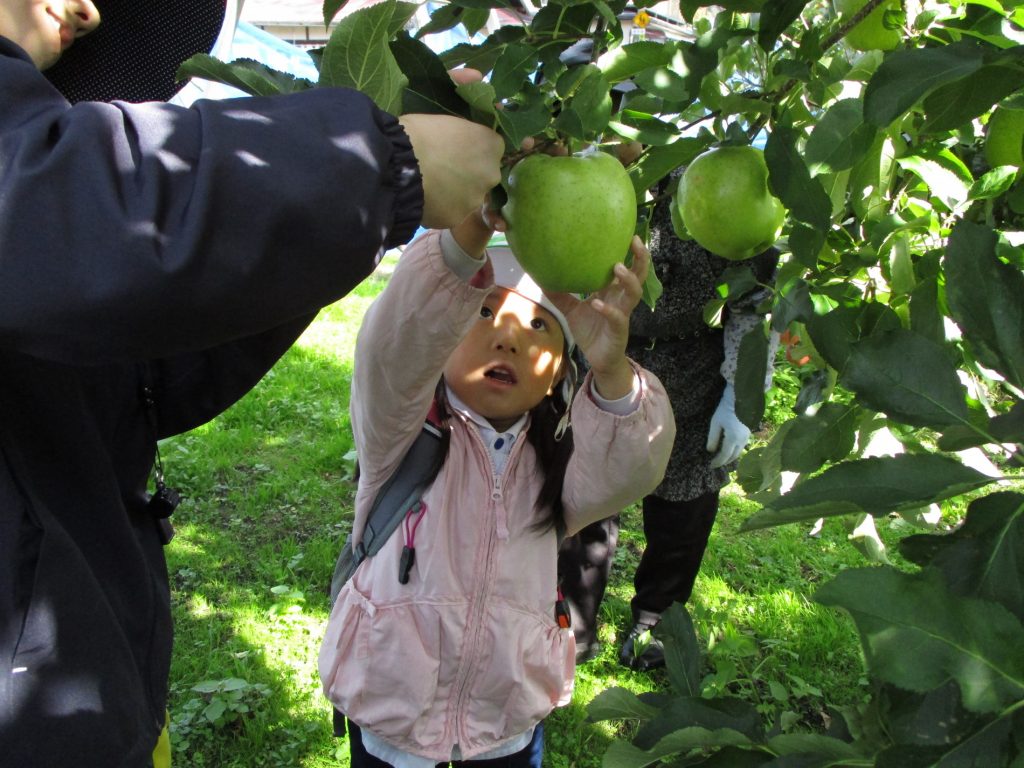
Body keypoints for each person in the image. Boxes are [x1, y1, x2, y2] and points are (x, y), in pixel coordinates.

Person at [0, 2, 503, 765]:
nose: (92, 8)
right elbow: (53, 204)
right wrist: (383, 162)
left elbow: (142, 378)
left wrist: (325, 236)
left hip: (87, 691)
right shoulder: (32, 191)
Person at [318, 204, 676, 767]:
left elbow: (634, 462)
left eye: (539, 325)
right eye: (484, 312)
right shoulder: (400, 430)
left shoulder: (559, 462)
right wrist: (474, 224)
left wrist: (612, 372)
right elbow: (396, 339)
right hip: (392, 717)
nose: (508, 337)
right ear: (444, 335)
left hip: (504, 721)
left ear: (560, 369)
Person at [558, 168, 779, 669]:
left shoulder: (712, 192)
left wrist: (741, 396)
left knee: (684, 507)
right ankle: (571, 619)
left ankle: (655, 618)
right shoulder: (593, 187)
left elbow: (752, 308)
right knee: (586, 496)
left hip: (692, 377)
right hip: (605, 358)